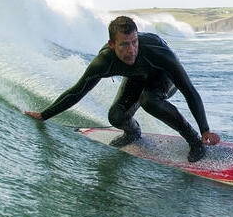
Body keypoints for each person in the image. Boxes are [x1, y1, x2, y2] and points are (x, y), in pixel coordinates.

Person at [25, 16, 219, 162]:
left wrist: (205, 129)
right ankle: (133, 132)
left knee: (149, 101)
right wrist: (44, 115)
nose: (131, 50)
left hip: (164, 79)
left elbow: (189, 90)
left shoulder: (156, 50)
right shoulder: (104, 62)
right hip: (137, 78)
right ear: (112, 45)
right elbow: (77, 92)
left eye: (134, 42)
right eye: (124, 45)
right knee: (116, 116)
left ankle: (194, 141)